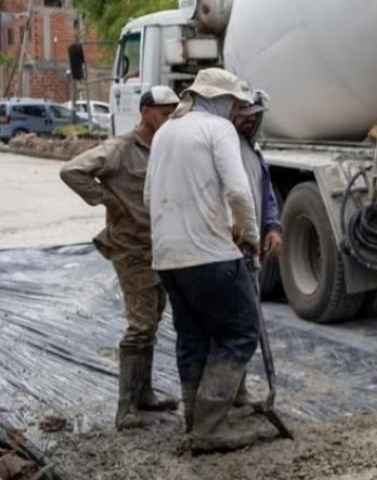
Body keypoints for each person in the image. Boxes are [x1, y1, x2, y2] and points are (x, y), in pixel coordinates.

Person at [144, 68, 265, 453]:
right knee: (241, 331)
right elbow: (239, 191)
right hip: (209, 255)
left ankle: (193, 421)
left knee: (193, 336)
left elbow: (148, 196)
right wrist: (251, 236)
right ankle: (210, 427)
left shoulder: (164, 132)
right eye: (233, 102)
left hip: (167, 258)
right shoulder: (218, 129)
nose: (236, 109)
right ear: (218, 98)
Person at [60, 86, 181, 430]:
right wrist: (107, 200)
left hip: (158, 246)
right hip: (131, 248)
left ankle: (144, 394)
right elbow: (72, 171)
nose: (169, 118)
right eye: (164, 113)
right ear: (145, 112)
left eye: (173, 113)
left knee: (152, 320)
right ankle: (126, 409)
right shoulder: (120, 149)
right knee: (140, 324)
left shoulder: (165, 147)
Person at [230, 86, 282, 407]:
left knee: (247, 319)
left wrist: (272, 225)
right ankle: (224, 394)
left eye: (255, 116)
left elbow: (266, 193)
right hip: (228, 249)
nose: (250, 120)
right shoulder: (223, 149)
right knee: (236, 322)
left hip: (251, 249)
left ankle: (238, 390)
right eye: (244, 115)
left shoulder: (253, 152)